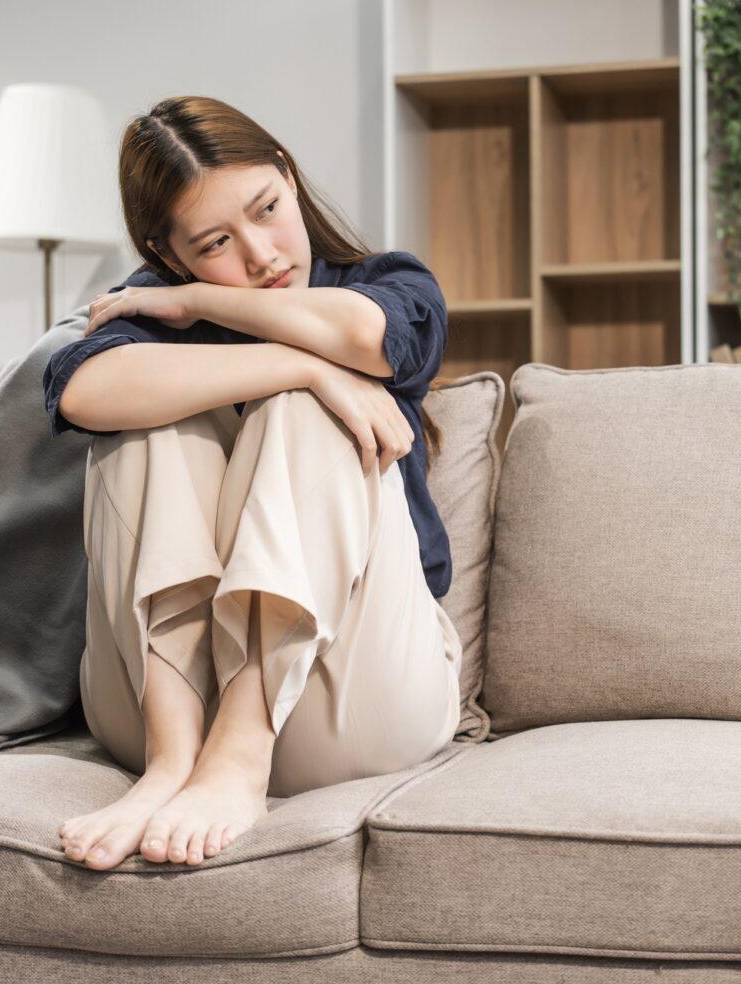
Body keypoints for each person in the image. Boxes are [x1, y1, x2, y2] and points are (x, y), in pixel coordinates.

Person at [42, 96, 461, 873]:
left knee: (306, 405)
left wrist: (200, 301)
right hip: (164, 704)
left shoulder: (384, 283)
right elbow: (82, 393)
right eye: (215, 244)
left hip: (354, 693)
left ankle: (240, 753)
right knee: (146, 416)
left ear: (288, 176)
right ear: (167, 252)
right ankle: (174, 764)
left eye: (267, 209)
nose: (263, 255)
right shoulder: (145, 320)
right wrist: (303, 366)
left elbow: (364, 339)